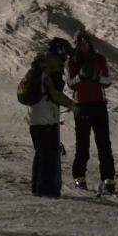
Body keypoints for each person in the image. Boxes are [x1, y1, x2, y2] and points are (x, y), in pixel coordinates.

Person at [25, 38, 76, 198]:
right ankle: (47, 191)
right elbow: (55, 95)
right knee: (48, 155)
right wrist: (72, 105)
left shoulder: (40, 67)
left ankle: (37, 188)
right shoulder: (51, 68)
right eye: (66, 53)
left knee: (41, 154)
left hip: (35, 118)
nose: (67, 58)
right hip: (47, 119)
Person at [66, 31, 116, 193]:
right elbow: (71, 84)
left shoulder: (99, 59)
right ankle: (79, 177)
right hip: (82, 106)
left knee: (104, 144)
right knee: (83, 144)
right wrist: (81, 76)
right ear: (76, 44)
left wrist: (96, 78)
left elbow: (108, 81)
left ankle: (108, 179)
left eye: (86, 41)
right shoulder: (72, 62)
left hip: (98, 105)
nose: (84, 44)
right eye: (80, 41)